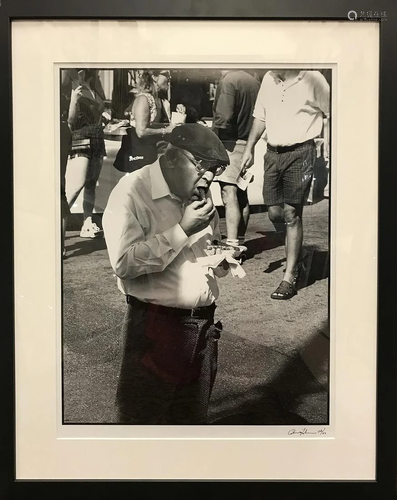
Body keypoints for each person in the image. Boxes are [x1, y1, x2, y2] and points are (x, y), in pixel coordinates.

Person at [103, 124, 230, 425]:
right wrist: (183, 229)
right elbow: (124, 262)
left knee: (191, 421)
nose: (208, 177)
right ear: (167, 155)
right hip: (156, 326)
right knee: (146, 423)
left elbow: (206, 250)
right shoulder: (131, 192)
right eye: (200, 165)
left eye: (213, 169)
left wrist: (224, 258)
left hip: (203, 325)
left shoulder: (200, 192)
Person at [241, 69, 330, 299]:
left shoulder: (313, 78)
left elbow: (335, 112)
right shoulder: (269, 78)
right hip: (272, 154)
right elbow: (260, 117)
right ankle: (297, 252)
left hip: (301, 152)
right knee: (274, 213)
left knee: (292, 214)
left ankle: (289, 277)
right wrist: (249, 148)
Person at [212, 70, 260, 247]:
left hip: (230, 143)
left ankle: (232, 247)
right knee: (241, 192)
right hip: (248, 143)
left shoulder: (229, 81)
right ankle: (239, 241)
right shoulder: (253, 81)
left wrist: (212, 134)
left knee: (228, 192)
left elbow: (223, 118)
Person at [114, 69, 185, 173]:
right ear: (154, 78)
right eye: (166, 74)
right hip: (141, 157)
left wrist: (179, 111)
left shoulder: (162, 101)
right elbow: (141, 132)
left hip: (155, 155)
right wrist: (165, 131)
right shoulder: (143, 99)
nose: (169, 78)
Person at [66, 68, 107, 238]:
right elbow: (71, 120)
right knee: (78, 184)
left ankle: (87, 223)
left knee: (91, 184)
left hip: (97, 137)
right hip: (81, 137)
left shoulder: (95, 91)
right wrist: (74, 100)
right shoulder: (77, 89)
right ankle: (55, 219)